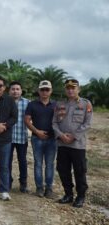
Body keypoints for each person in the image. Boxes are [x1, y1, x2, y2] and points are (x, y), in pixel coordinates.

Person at [52, 79, 93, 208]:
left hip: (77, 145)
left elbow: (87, 124)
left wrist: (74, 136)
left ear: (78, 90)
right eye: (68, 88)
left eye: (73, 88)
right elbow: (54, 122)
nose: (70, 90)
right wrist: (61, 135)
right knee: (63, 170)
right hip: (62, 144)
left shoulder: (86, 104)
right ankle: (68, 194)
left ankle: (80, 197)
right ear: (65, 90)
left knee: (79, 171)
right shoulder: (59, 104)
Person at [25, 80, 57, 198]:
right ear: (39, 91)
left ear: (51, 91)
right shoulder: (32, 104)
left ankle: (49, 189)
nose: (44, 92)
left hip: (52, 139)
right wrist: (37, 132)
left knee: (50, 164)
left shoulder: (56, 105)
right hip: (36, 138)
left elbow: (60, 120)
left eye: (47, 89)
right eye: (42, 89)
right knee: (38, 164)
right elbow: (27, 120)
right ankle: (39, 188)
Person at [8, 81, 30, 193]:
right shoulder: (5, 102)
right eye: (13, 89)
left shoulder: (27, 103)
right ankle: (8, 182)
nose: (15, 91)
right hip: (7, 137)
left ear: (21, 91)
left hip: (22, 137)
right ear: (9, 91)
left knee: (22, 161)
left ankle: (23, 183)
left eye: (17, 89)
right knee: (7, 161)